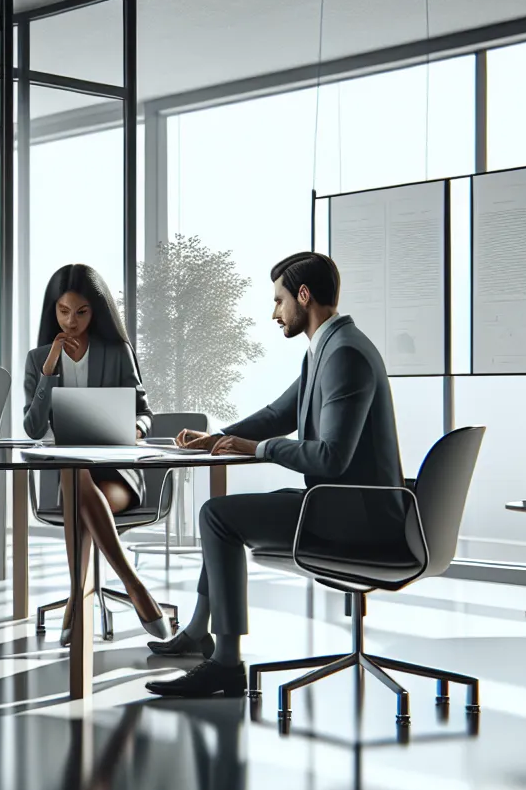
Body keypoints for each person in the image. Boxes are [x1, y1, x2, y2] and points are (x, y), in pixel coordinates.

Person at [146, 251, 404, 697]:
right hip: (342, 504)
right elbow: (277, 413)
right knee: (221, 516)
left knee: (217, 517)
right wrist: (217, 437)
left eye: (279, 300)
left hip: (358, 518)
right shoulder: (326, 349)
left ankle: (224, 662)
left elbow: (331, 459)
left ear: (304, 296)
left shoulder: (344, 355)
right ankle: (197, 634)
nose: (274, 313)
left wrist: (255, 449)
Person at [23, 263, 175, 642]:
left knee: (79, 493)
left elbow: (145, 412)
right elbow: (33, 428)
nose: (71, 321)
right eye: (63, 311)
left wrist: (137, 429)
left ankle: (79, 597)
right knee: (75, 475)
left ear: (97, 310)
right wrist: (49, 369)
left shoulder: (116, 351)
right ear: (52, 310)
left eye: (81, 311)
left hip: (117, 473)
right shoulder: (38, 357)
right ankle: (132, 586)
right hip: (70, 473)